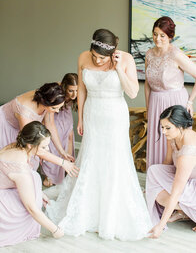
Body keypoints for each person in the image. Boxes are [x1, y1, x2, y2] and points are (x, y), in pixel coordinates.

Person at [46, 28, 152, 241]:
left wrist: (119, 67)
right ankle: (86, 211)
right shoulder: (83, 57)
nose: (97, 60)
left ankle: (109, 215)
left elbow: (132, 92)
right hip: (93, 114)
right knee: (91, 159)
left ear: (113, 51)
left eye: (102, 57)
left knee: (114, 161)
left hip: (114, 116)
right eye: (94, 55)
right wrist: (82, 118)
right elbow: (83, 90)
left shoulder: (126, 59)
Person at [0, 121, 78, 247]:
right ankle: (21, 226)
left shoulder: (16, 146)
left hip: (6, 184)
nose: (46, 150)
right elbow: (32, 208)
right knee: (30, 199)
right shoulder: (20, 167)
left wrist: (39, 193)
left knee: (34, 177)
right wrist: (55, 230)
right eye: (43, 147)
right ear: (30, 145)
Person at [145, 16, 196, 168]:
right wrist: (149, 107)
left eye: (162, 35)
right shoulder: (149, 54)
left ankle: (175, 184)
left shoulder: (176, 54)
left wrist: (190, 101)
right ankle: (156, 183)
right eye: (155, 34)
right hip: (156, 103)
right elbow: (147, 84)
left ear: (170, 36)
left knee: (175, 146)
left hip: (174, 102)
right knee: (156, 141)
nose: (158, 38)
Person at [146, 105, 196, 239]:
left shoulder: (188, 151)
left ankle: (189, 211)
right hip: (186, 180)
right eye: (162, 127)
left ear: (181, 126)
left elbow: (176, 191)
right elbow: (167, 163)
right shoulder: (173, 137)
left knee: (167, 196)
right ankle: (186, 211)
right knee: (154, 171)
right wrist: (154, 185)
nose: (163, 132)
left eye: (167, 128)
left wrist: (160, 225)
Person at [0, 82, 74, 170]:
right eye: (54, 108)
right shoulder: (25, 112)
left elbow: (50, 124)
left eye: (59, 107)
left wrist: (61, 152)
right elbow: (33, 144)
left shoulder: (49, 96)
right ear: (45, 103)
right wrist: (62, 163)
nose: (57, 111)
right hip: (6, 127)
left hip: (26, 128)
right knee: (13, 164)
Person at [42, 73, 78, 186]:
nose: (74, 94)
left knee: (69, 137)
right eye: (71, 91)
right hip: (54, 114)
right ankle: (50, 174)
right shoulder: (57, 91)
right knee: (53, 140)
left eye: (76, 91)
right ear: (64, 87)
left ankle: (68, 165)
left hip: (66, 113)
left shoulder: (77, 94)